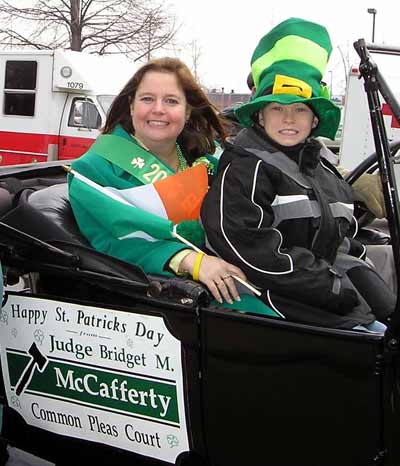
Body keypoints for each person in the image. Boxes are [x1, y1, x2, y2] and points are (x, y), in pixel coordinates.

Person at [201, 18, 395, 331]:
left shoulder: (320, 167)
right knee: (380, 338)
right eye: (277, 107)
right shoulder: (246, 167)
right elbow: (249, 248)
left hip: (319, 285)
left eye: (301, 108)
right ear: (259, 116)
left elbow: (337, 234)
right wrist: (331, 286)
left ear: (315, 119)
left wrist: (362, 259)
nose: (289, 118)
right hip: (276, 301)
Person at [68, 57, 255, 307]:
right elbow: (110, 244)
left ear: (187, 112)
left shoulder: (209, 161)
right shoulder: (91, 170)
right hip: (154, 299)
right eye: (147, 99)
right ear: (131, 106)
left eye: (171, 101)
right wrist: (190, 260)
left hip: (230, 275)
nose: (158, 109)